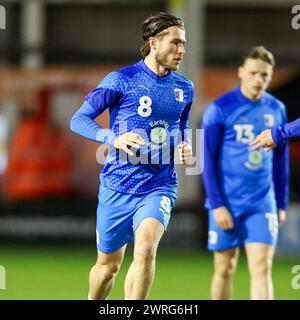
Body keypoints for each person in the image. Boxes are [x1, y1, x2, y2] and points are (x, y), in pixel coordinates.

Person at [70, 12, 194, 300]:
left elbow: (182, 125)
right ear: (154, 43)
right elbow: (79, 119)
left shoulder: (184, 88)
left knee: (146, 249)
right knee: (108, 267)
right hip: (117, 185)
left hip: (159, 185)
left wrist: (186, 146)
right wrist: (112, 138)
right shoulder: (122, 80)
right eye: (175, 43)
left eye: (183, 43)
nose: (181, 50)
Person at [202, 46, 289, 300]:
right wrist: (217, 204)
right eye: (253, 73)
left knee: (262, 268)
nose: (258, 80)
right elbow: (208, 159)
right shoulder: (219, 109)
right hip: (226, 202)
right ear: (241, 72)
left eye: (264, 75)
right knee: (224, 268)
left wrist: (280, 203)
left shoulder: (276, 109)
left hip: (262, 202)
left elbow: (280, 160)